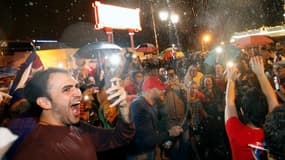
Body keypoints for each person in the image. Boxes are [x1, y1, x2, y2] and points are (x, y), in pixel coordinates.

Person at [11, 68, 135, 160]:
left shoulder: (78, 128)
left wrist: (124, 108)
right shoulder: (35, 150)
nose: (78, 93)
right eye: (66, 89)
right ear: (45, 102)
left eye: (76, 86)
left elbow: (120, 137)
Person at [225, 56, 279, 160]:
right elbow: (272, 99)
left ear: (242, 111)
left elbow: (229, 102)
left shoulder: (235, 131)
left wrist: (231, 80)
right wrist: (261, 74)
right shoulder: (274, 130)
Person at [128, 76, 183, 160]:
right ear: (149, 91)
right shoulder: (139, 106)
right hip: (140, 154)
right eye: (160, 89)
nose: (163, 91)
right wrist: (170, 133)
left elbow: (154, 130)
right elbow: (147, 139)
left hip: (148, 151)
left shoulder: (151, 103)